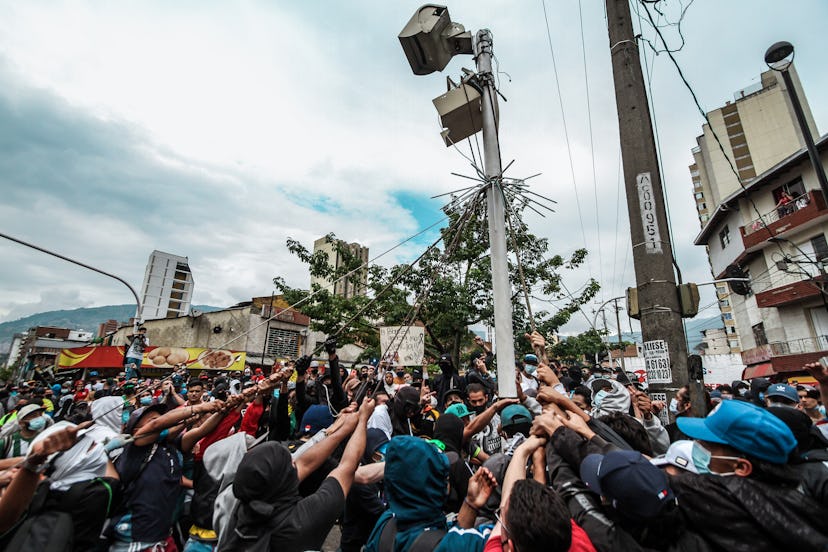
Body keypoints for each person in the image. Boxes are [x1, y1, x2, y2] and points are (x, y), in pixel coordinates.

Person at [221, 399, 374, 552]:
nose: (295, 462)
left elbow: (305, 463)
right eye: (290, 463)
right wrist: (362, 421)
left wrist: (338, 428)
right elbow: (347, 465)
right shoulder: (303, 519)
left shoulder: (232, 505)